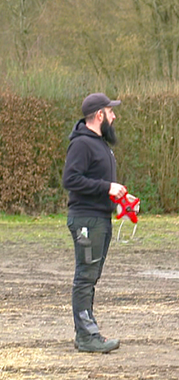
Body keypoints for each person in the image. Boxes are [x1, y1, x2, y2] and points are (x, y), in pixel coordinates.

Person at [62, 93, 126, 353]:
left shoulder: (100, 144)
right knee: (85, 277)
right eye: (111, 112)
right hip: (86, 220)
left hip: (100, 217)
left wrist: (119, 198)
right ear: (100, 115)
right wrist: (107, 187)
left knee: (91, 276)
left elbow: (98, 185)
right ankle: (87, 335)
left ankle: (86, 332)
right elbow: (71, 180)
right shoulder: (82, 145)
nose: (114, 116)